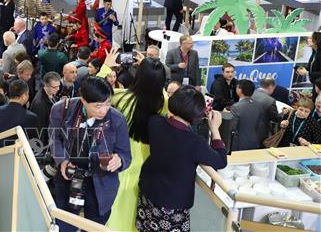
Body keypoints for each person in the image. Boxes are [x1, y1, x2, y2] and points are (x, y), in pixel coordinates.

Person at [136, 86, 227, 232]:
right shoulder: (194, 142)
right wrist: (215, 129)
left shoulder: (155, 122)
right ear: (197, 116)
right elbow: (221, 161)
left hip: (148, 189)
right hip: (171, 202)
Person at [50, 77, 132, 230]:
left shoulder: (117, 119)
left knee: (95, 226)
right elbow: (54, 138)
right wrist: (62, 161)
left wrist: (119, 161)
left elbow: (125, 154)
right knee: (65, 223)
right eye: (98, 106)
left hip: (100, 183)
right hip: (70, 177)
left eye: (108, 103)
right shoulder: (62, 109)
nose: (104, 110)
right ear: (83, 100)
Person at [107, 57, 168, 231]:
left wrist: (106, 67)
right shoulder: (163, 102)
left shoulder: (120, 98)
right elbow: (162, 92)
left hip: (121, 159)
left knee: (116, 206)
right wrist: (155, 69)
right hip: (148, 164)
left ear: (138, 76)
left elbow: (94, 92)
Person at [0, 80, 38, 148]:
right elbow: (33, 144)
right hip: (18, 153)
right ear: (23, 96)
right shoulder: (31, 117)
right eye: (27, 94)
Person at [230, 80, 267, 151]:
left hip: (238, 145)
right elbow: (261, 126)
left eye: (237, 87)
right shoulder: (258, 105)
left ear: (240, 90)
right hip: (254, 142)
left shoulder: (236, 107)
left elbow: (232, 127)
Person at [30, 72, 61, 150]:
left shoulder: (50, 94)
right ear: (46, 85)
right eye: (55, 87)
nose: (58, 89)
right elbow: (40, 130)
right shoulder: (40, 104)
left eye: (59, 86)